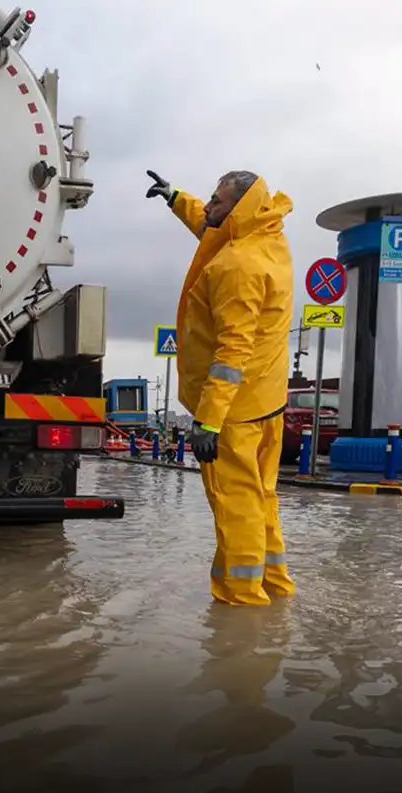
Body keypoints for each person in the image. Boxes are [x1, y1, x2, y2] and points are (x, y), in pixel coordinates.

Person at [145, 168, 296, 606]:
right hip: (266, 400)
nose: (208, 207)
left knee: (236, 506)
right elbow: (212, 224)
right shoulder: (266, 238)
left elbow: (232, 354)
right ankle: (275, 586)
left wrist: (208, 421)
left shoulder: (237, 266)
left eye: (216, 200)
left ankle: (241, 603)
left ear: (238, 210)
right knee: (262, 499)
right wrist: (176, 198)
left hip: (233, 414)